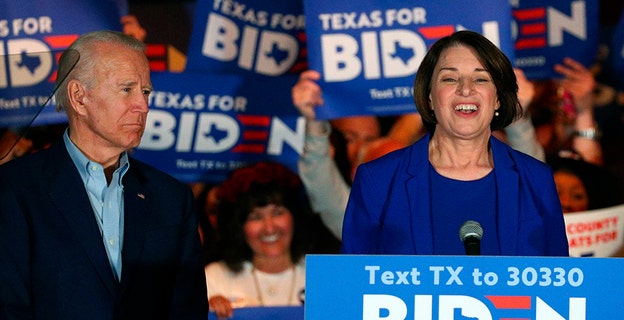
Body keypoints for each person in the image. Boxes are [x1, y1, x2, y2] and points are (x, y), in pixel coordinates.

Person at [0, 30, 208, 319]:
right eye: (126, 89)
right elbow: (4, 309)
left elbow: (187, 310)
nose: (143, 106)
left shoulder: (172, 198)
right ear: (78, 97)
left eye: (146, 92)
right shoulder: (11, 191)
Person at [341, 30, 569, 256]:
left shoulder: (536, 179)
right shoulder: (378, 180)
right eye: (450, 78)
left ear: (498, 98)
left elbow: (558, 283)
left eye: (481, 78)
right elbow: (352, 283)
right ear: (430, 97)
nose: (466, 89)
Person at [292, 70, 424, 239]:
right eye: (386, 172)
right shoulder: (352, 219)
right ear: (358, 176)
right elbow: (317, 169)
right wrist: (314, 115)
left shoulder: (434, 207)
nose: (397, 180)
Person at [205, 161, 338, 319]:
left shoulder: (326, 278)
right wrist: (207, 311)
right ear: (238, 227)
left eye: (278, 213)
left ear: (295, 216)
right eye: (256, 217)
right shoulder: (214, 278)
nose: (269, 228)